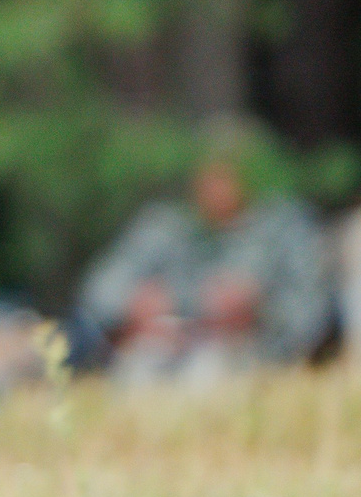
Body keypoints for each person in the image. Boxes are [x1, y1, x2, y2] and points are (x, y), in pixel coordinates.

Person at [76, 138, 333, 382]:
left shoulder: (283, 228)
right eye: (208, 177)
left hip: (246, 355)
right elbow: (98, 290)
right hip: (166, 346)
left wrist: (258, 309)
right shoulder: (166, 226)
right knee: (138, 370)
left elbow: (312, 314)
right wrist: (134, 304)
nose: (215, 188)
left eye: (226, 176)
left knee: (210, 370)